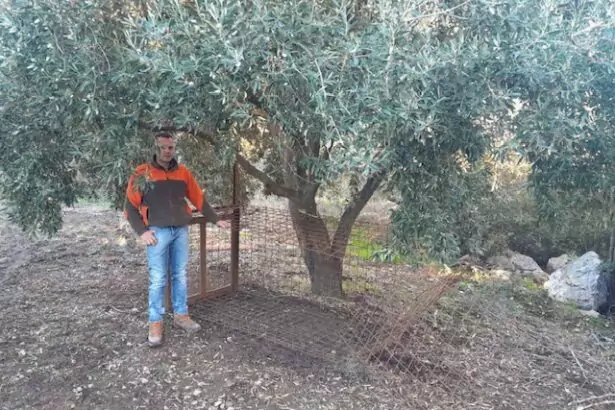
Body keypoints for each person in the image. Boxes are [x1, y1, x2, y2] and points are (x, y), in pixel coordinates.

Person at [124, 132, 231, 347]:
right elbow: (129, 206)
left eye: (170, 147)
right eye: (162, 147)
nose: (167, 151)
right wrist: (142, 232)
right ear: (155, 148)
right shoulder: (142, 173)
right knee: (158, 278)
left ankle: (181, 315)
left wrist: (215, 219)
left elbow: (198, 197)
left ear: (174, 148)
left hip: (180, 230)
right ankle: (155, 322)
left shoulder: (183, 172)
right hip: (157, 232)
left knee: (180, 274)